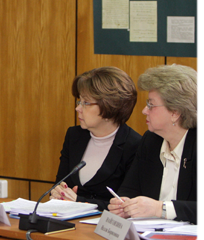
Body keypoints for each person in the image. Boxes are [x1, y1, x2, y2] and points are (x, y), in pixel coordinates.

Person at [108, 64, 201, 224]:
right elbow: (129, 190)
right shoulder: (151, 141)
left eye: (151, 104)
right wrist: (123, 204)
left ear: (175, 112)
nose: (144, 110)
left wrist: (161, 209)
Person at [50, 67, 141, 211]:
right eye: (79, 101)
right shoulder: (74, 136)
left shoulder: (135, 145)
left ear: (109, 106)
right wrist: (58, 193)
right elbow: (61, 184)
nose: (78, 108)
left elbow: (124, 205)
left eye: (86, 103)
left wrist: (79, 202)